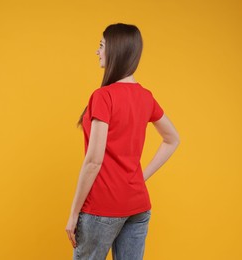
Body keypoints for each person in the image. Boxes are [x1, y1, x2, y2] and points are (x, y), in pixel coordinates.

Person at [65, 23, 180, 260]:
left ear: (115, 50)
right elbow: (172, 139)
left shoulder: (103, 96)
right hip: (137, 205)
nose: (97, 52)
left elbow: (94, 161)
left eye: (101, 46)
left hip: (102, 207)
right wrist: (140, 178)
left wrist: (74, 213)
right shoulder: (145, 96)